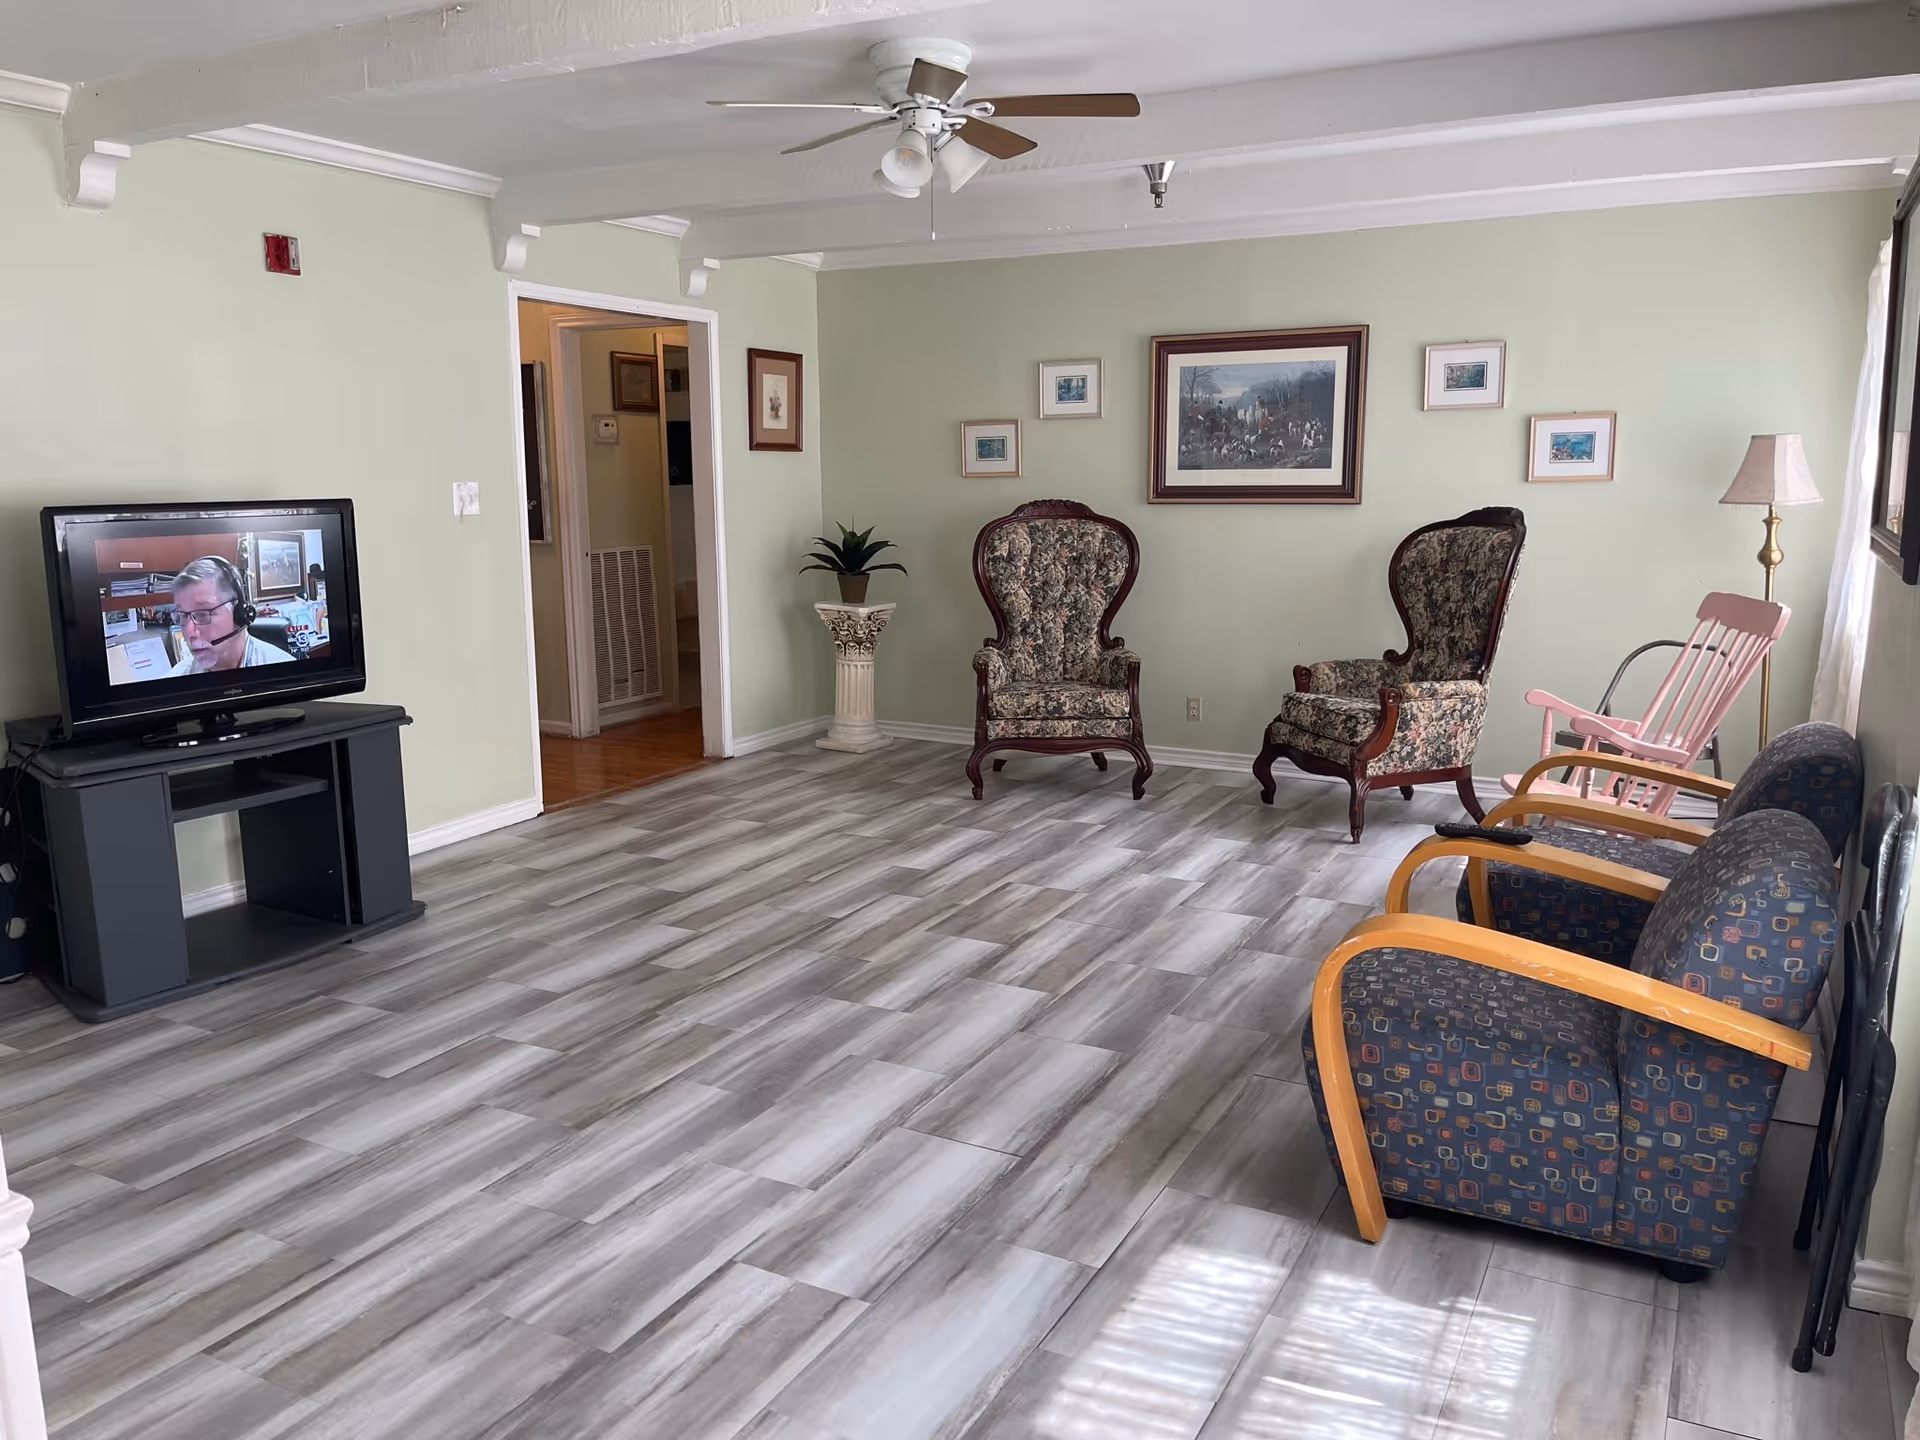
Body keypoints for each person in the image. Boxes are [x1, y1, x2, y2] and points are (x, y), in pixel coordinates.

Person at [167, 555, 295, 674]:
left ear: (239, 614)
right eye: (182, 616)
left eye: (202, 614)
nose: (189, 633)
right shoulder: (175, 680)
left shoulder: (288, 675)